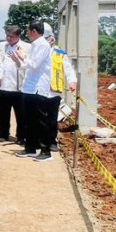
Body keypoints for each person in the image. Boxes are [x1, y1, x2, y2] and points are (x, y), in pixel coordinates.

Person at [14, 20, 52, 161]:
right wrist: (19, 59)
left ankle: (45, 150)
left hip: (38, 88)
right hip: (29, 88)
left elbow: (35, 64)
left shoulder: (42, 45)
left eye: (28, 31)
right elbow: (27, 66)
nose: (27, 34)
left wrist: (23, 56)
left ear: (34, 32)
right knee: (29, 120)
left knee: (41, 121)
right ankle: (30, 148)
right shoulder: (36, 45)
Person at [44, 23, 77, 152]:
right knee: (39, 119)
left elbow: (68, 70)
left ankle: (52, 141)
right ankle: (40, 141)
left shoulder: (60, 54)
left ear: (52, 39)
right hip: (39, 91)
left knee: (52, 119)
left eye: (46, 39)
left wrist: (72, 82)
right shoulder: (37, 52)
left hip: (53, 92)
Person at [0, 25, 32, 144]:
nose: (9, 38)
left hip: (20, 86)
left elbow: (29, 64)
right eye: (7, 35)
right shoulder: (2, 45)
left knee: (21, 114)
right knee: (3, 113)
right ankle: (3, 134)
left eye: (11, 36)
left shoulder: (27, 47)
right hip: (4, 85)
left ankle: (21, 136)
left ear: (18, 36)